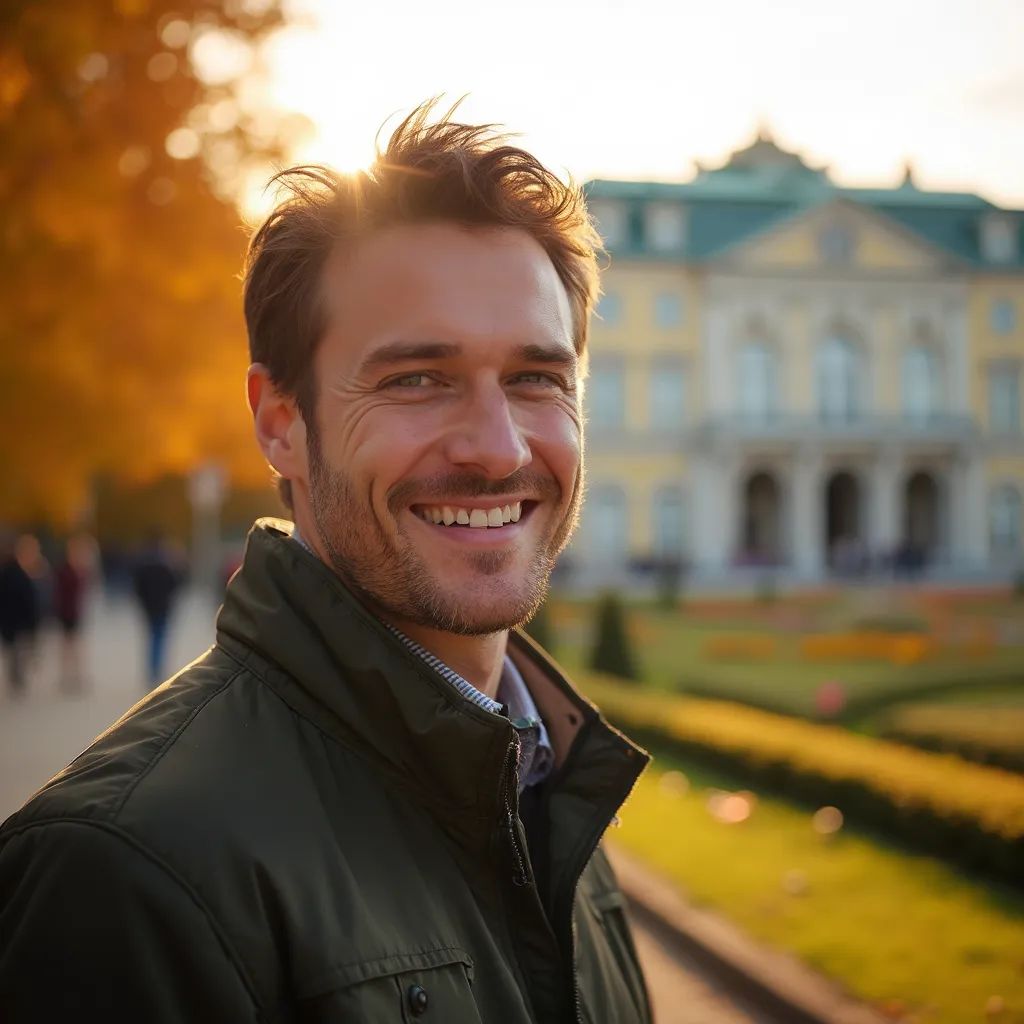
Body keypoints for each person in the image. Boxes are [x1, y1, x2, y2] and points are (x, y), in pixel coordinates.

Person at [0, 104, 652, 1023]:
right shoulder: (120, 871)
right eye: (416, 378)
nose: (498, 449)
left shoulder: (546, 788)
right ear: (280, 422)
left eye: (536, 378)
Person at [131, 532, 183, 685]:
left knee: (151, 638)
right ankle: (157, 670)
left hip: (149, 608)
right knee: (160, 638)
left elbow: (137, 587)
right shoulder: (167, 564)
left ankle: (152, 670)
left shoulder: (142, 564)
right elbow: (175, 584)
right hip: (163, 607)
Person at [0, 532, 38, 696]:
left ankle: (16, 676)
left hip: (13, 618)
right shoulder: (17, 573)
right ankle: (16, 677)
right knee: (16, 650)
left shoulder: (15, 572)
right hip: (16, 619)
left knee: (16, 650)